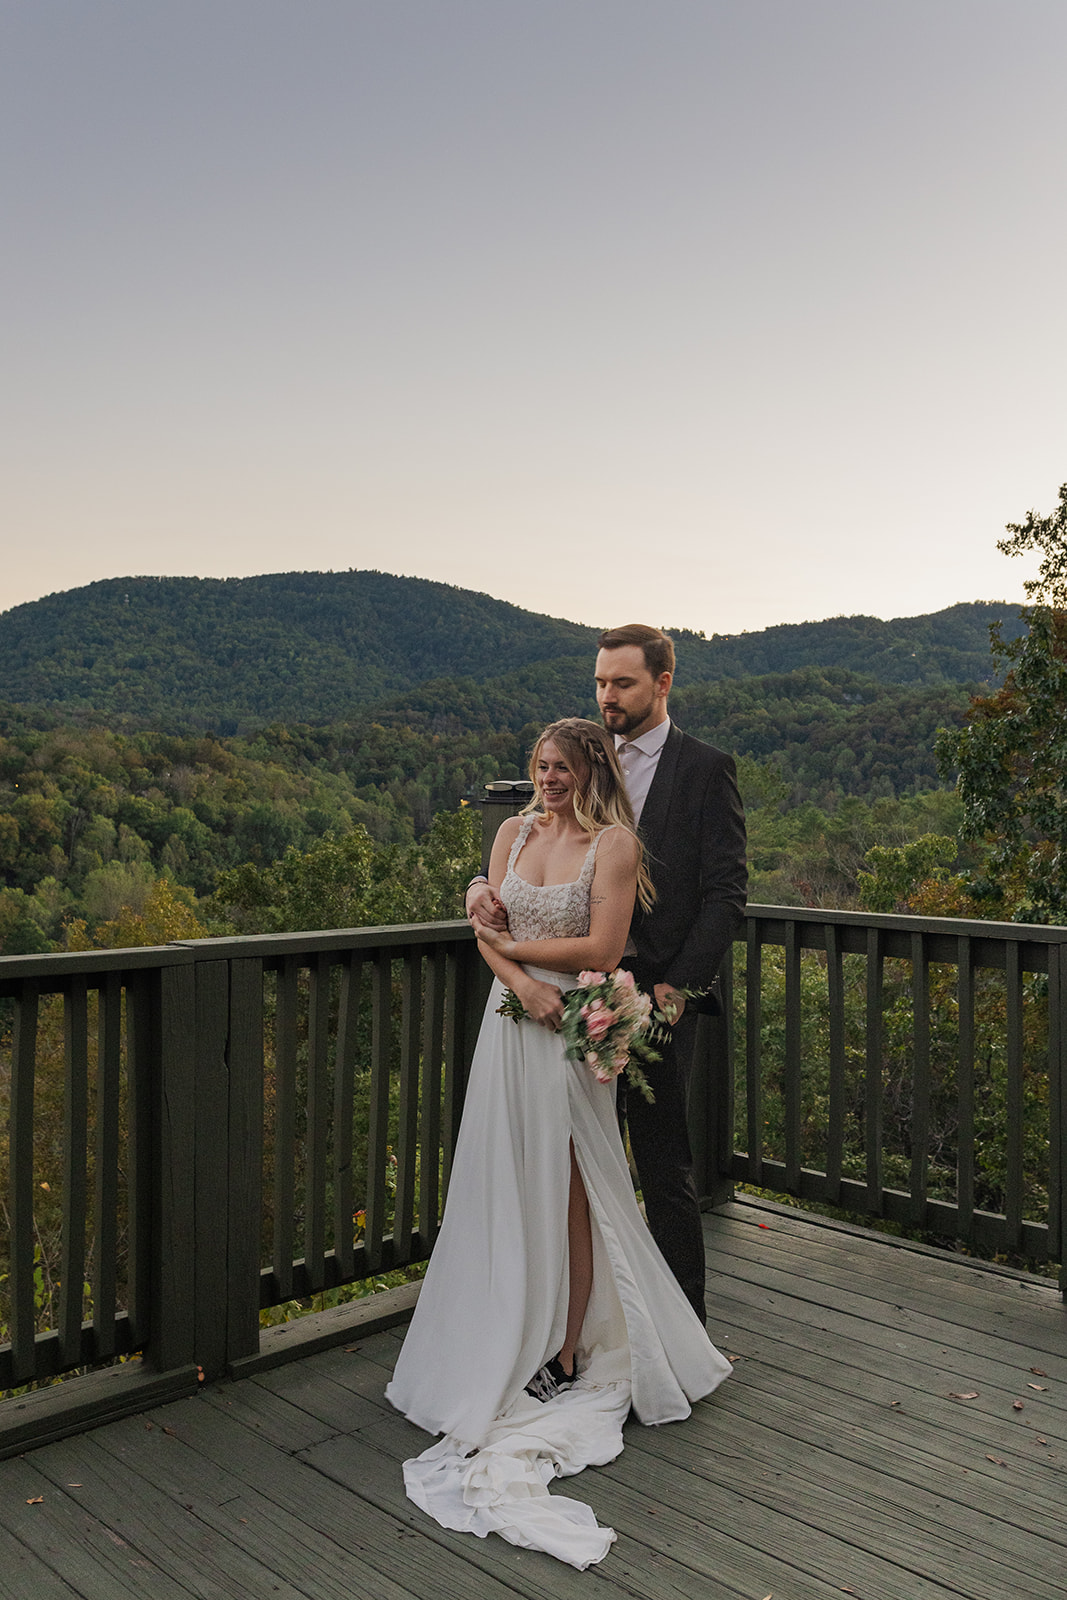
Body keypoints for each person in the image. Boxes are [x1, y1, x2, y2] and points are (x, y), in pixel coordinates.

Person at [386, 718, 732, 1570]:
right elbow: (484, 937)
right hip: (512, 1023)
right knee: (502, 1181)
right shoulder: (508, 833)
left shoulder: (614, 845)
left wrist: (527, 966)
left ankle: (570, 1346)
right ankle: (504, 1330)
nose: (547, 779)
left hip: (571, 1033)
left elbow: (603, 947)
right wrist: (516, 980)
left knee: (575, 1186)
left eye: (562, 767)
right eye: (539, 765)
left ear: (591, 772)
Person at [469, 627, 748, 1321]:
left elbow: (724, 894)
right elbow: (537, 835)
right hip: (561, 1000)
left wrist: (675, 988)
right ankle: (583, 1326)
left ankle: (681, 1328)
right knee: (565, 1166)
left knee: (661, 1166)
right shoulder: (583, 758)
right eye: (599, 682)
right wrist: (479, 883)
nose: (606, 696)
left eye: (621, 683)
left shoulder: (705, 769)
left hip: (647, 1003)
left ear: (662, 684)